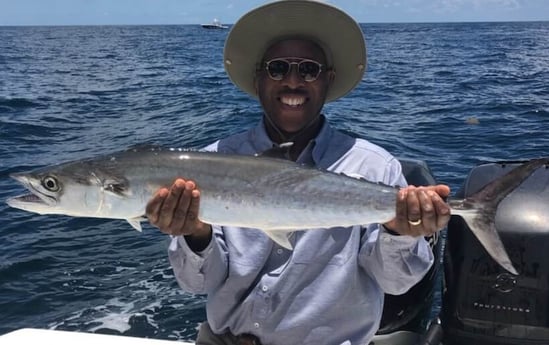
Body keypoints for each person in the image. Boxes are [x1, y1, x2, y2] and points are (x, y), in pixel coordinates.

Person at [146, 1, 451, 344]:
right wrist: (195, 235)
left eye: (308, 69)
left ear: (327, 80)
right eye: (277, 69)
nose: (292, 82)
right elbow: (195, 284)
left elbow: (395, 282)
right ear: (258, 78)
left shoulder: (374, 167)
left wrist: (400, 233)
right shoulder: (208, 165)